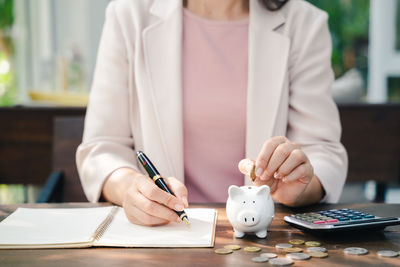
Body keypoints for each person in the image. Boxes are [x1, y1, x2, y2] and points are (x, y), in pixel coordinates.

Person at [76, 0, 348, 227]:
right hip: (163, 236)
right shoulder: (129, 15)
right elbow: (102, 149)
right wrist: (130, 189)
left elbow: (322, 152)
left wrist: (301, 187)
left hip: (264, 235)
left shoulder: (304, 23)